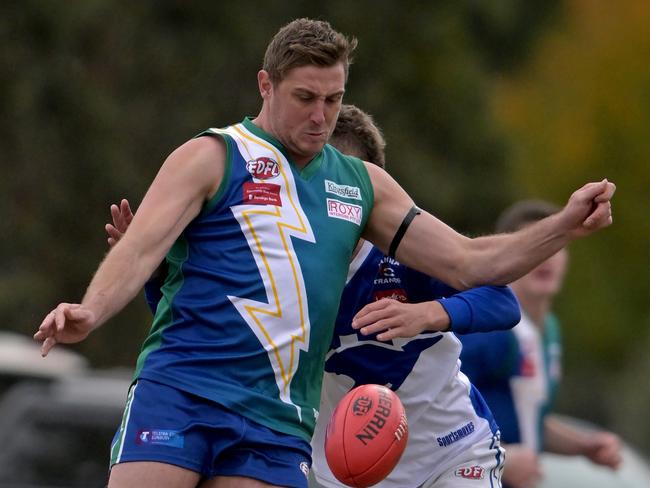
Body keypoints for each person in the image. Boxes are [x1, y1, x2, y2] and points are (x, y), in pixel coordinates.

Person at [34, 17, 615, 488]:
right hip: (184, 387)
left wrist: (563, 225)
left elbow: (471, 264)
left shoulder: (362, 185)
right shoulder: (212, 156)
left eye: (333, 99)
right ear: (265, 86)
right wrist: (92, 308)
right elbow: (139, 250)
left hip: (278, 421)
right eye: (304, 98)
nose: (320, 117)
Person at [107, 104, 521, 488]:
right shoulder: (276, 263)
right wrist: (155, 269)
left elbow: (502, 300)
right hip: (347, 468)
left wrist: (429, 314)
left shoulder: (406, 256)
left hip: (450, 453)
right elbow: (204, 325)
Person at [459, 200, 622, 488]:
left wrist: (584, 446)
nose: (547, 258)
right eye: (535, 247)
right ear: (509, 255)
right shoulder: (490, 326)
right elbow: (436, 403)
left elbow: (530, 420)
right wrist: (502, 457)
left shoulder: (549, 331)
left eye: (555, 246)